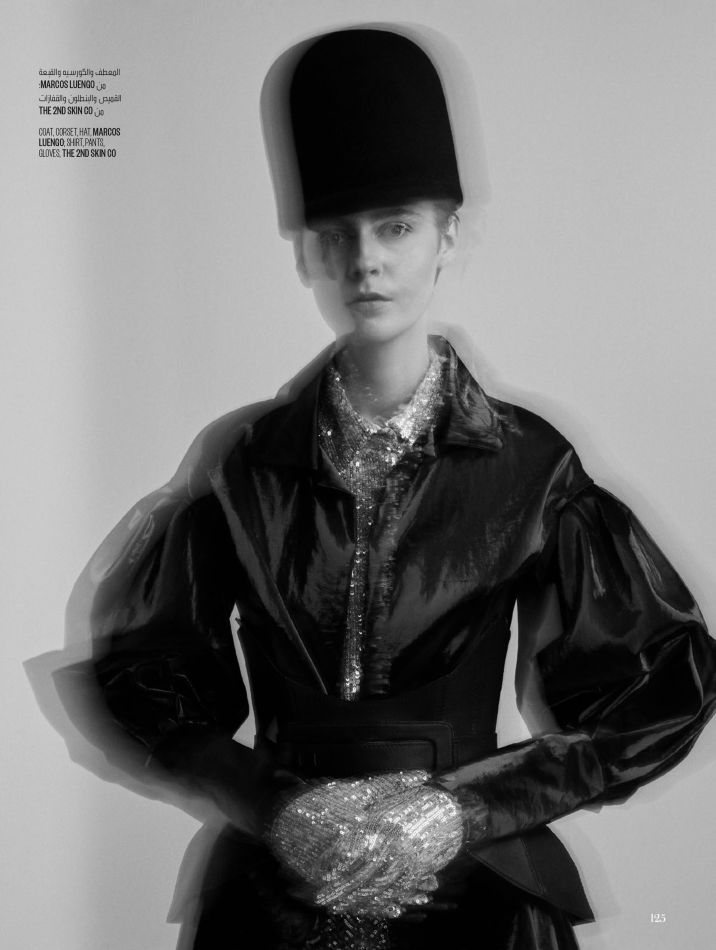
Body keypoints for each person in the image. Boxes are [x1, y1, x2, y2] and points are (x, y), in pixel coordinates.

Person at [81, 27, 716, 950]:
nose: (365, 262)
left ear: (447, 235)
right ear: (305, 252)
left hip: (479, 898)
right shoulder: (243, 465)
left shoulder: (528, 467)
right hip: (276, 895)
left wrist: (459, 811)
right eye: (336, 236)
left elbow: (661, 686)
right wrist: (271, 804)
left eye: (396, 227)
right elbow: (147, 675)